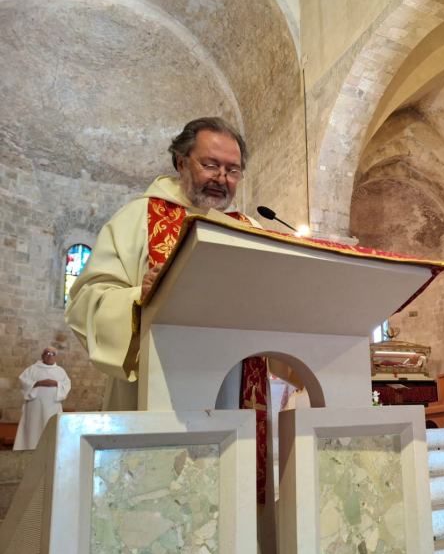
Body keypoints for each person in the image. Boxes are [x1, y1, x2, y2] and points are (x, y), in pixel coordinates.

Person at [66, 116, 261, 411]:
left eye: (232, 170)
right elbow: (85, 300)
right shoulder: (137, 217)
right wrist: (137, 299)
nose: (221, 178)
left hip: (233, 384)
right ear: (181, 162)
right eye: (210, 165)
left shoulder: (251, 228)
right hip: (155, 384)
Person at [13, 347, 71, 450]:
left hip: (53, 406)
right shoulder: (32, 369)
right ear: (42, 356)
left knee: (51, 428)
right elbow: (23, 381)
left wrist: (55, 383)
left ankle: (50, 450)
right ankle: (30, 449)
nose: (50, 355)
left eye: (53, 354)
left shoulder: (60, 371)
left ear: (55, 357)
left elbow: (67, 385)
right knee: (34, 429)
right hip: (35, 406)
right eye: (47, 353)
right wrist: (39, 383)